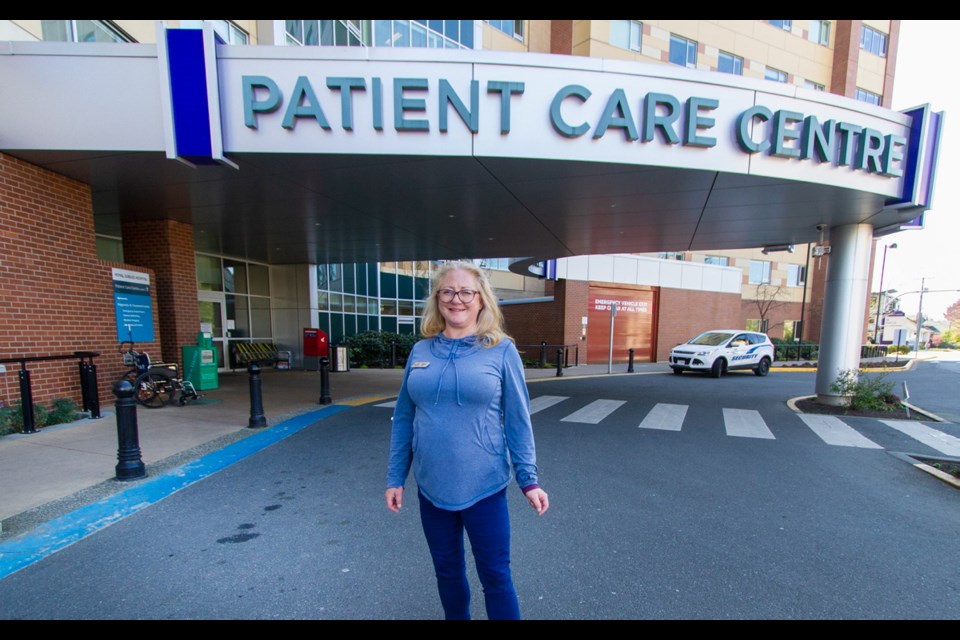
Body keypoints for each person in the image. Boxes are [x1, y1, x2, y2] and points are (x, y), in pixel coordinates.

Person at [385, 260, 549, 620]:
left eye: (465, 292)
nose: (456, 299)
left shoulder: (501, 350)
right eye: (447, 291)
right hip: (431, 486)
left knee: (495, 576)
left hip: (484, 486)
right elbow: (405, 418)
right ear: (437, 298)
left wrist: (529, 479)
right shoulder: (421, 351)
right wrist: (395, 477)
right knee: (447, 571)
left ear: (481, 300)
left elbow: (519, 421)